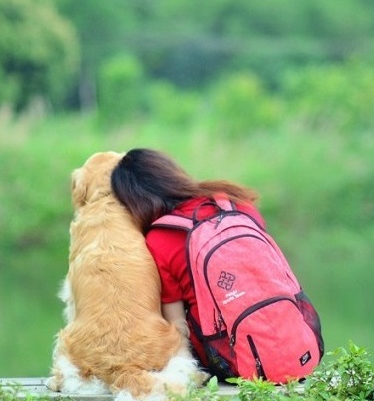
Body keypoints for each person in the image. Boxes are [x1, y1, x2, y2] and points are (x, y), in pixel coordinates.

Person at [109, 147, 265, 369]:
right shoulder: (234, 201)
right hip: (294, 344)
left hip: (232, 361)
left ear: (134, 200)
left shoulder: (159, 238)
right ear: (171, 173)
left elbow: (177, 326)